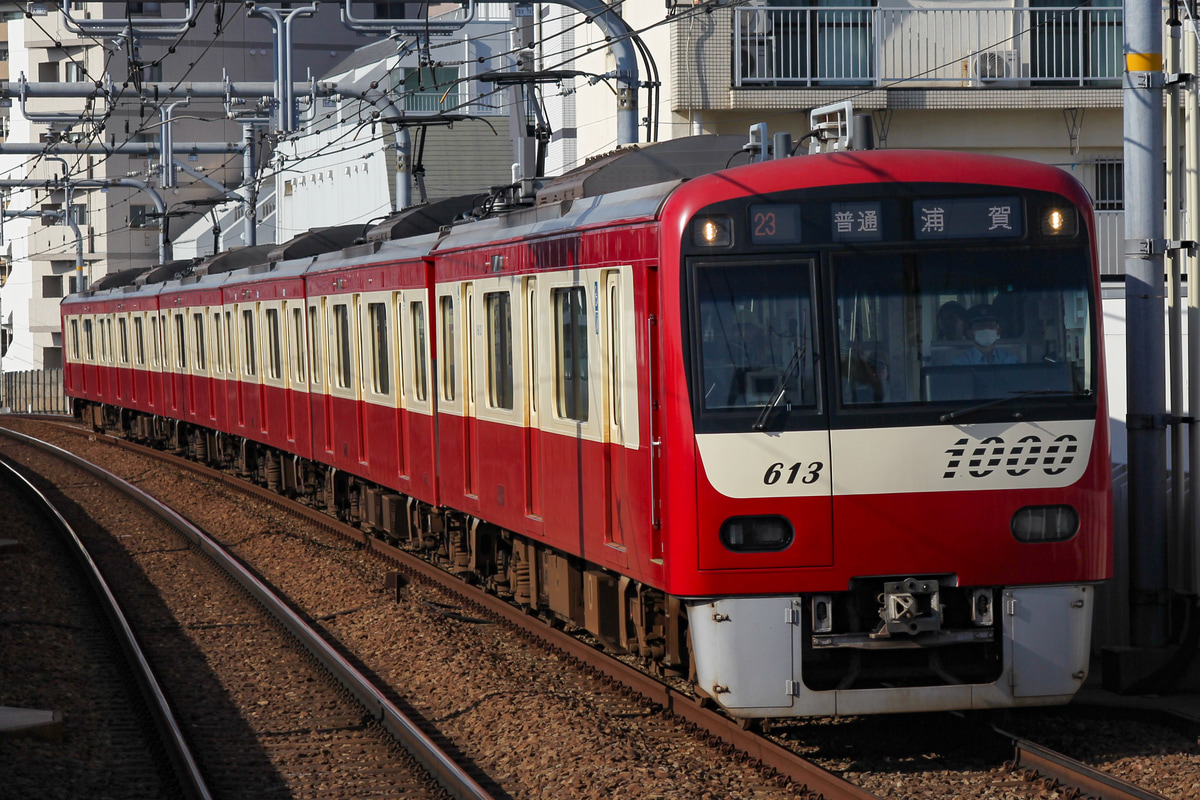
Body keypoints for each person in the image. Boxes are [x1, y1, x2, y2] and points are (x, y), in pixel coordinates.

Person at [953, 304, 1018, 365]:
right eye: (980, 326)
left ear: (998, 331)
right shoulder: (961, 362)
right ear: (970, 333)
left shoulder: (1010, 360)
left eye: (991, 325)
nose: (986, 329)